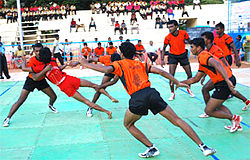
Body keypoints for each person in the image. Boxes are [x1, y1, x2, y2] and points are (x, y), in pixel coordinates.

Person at [79, 42, 216, 158]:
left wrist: (83, 62)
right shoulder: (142, 64)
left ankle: (151, 147)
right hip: (152, 94)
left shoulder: (119, 64)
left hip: (138, 98)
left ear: (121, 54)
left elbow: (105, 68)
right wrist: (177, 82)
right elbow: (161, 72)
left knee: (128, 125)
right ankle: (203, 147)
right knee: (177, 120)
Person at [30, 47, 114, 119]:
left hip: (68, 78)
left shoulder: (52, 60)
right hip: (64, 86)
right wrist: (45, 70)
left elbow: (58, 69)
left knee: (94, 85)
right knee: (86, 101)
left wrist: (66, 64)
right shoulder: (41, 67)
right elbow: (34, 77)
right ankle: (107, 112)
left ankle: (110, 97)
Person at [182, 38, 243, 133]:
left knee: (209, 111)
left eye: (192, 47)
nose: (191, 49)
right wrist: (179, 82)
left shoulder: (204, 56)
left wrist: (227, 81)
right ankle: (235, 123)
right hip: (223, 82)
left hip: (224, 83)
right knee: (218, 105)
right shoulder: (201, 57)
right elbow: (195, 79)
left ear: (198, 48)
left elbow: (218, 64)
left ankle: (234, 118)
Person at [2, 43, 57, 127]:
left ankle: (50, 105)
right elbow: (35, 77)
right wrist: (45, 70)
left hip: (41, 81)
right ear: (34, 51)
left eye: (40, 51)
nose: (38, 53)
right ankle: (8, 118)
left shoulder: (46, 58)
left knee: (54, 97)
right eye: (36, 51)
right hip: (31, 80)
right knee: (21, 100)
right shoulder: (32, 60)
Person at [199, 32, 250, 118]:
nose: (201, 40)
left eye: (203, 38)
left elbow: (222, 63)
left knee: (207, 90)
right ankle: (245, 101)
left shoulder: (216, 49)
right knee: (229, 91)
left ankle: (209, 110)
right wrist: (203, 76)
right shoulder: (207, 51)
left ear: (208, 40)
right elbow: (207, 67)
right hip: (220, 76)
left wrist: (227, 75)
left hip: (223, 76)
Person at [161, 20, 194, 101]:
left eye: (171, 26)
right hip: (173, 56)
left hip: (183, 55)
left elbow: (190, 42)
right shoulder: (168, 37)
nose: (170, 28)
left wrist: (195, 49)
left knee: (190, 74)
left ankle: (188, 88)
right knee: (171, 76)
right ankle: (172, 93)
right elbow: (164, 48)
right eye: (168, 27)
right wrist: (162, 59)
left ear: (176, 26)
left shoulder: (183, 33)